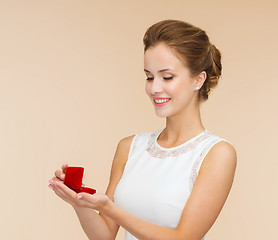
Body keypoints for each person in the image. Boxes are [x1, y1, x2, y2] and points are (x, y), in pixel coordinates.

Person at [49, 19, 237, 240]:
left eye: (167, 77)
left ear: (198, 79)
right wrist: (79, 202)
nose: (154, 88)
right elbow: (104, 236)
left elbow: (184, 238)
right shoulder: (130, 147)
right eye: (149, 77)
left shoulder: (216, 154)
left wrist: (110, 208)